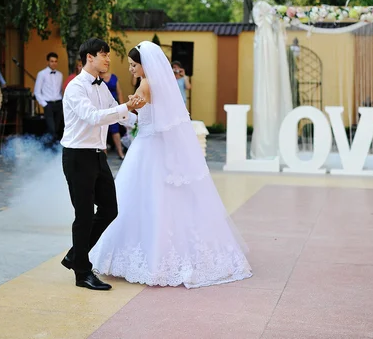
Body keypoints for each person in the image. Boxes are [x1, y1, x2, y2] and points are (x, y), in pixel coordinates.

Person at [89, 41, 252, 289]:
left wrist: (117, 111)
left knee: (140, 201)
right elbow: (154, 118)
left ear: (144, 65)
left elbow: (136, 117)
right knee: (164, 202)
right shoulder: (160, 85)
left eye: (133, 65)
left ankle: (150, 260)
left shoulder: (145, 85)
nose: (131, 69)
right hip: (155, 146)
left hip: (146, 148)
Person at [59, 38, 145, 291]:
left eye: (108, 55)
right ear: (89, 58)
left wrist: (145, 123)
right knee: (84, 215)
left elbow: (118, 113)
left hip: (98, 155)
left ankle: (76, 255)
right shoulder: (75, 87)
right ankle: (82, 273)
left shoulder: (102, 86)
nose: (108, 59)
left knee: (110, 209)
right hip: (77, 156)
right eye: (103, 55)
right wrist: (125, 107)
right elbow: (94, 117)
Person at [34, 52, 64, 142]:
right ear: (47, 62)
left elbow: (60, 90)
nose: (54, 63)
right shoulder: (41, 74)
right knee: (52, 129)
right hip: (48, 104)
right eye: (52, 61)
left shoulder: (60, 75)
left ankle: (49, 147)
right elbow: (37, 91)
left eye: (55, 61)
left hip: (59, 103)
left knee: (58, 128)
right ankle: (51, 150)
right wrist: (44, 104)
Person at [100, 70, 125, 159]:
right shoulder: (97, 77)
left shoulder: (114, 77)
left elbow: (119, 92)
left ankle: (120, 152)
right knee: (103, 130)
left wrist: (122, 107)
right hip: (102, 108)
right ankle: (104, 154)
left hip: (113, 107)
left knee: (115, 130)